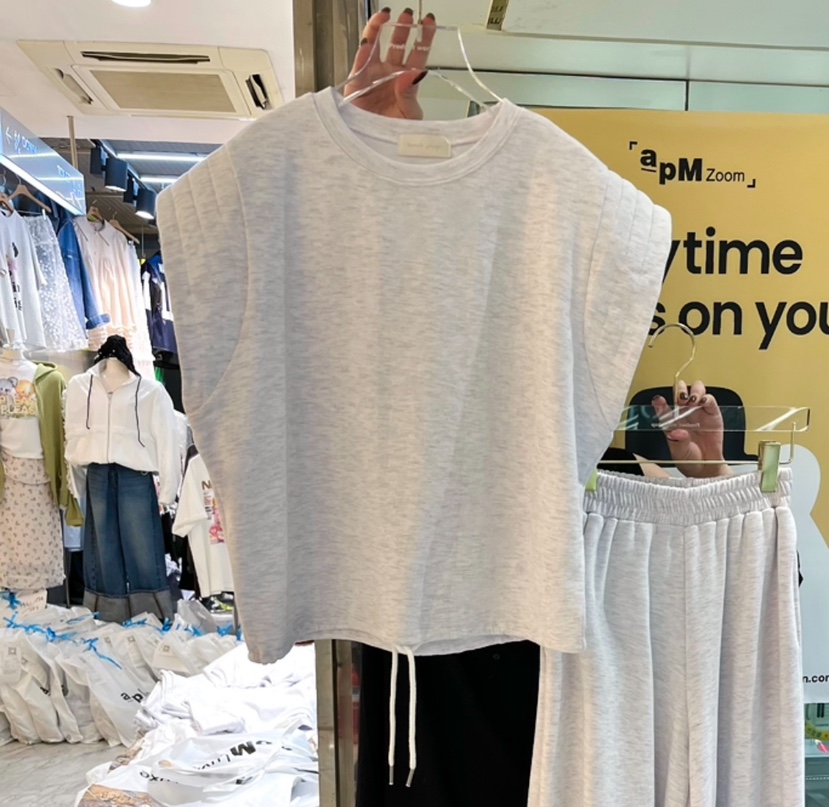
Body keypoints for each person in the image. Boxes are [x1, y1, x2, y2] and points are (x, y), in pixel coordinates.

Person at [345, 14, 734, 807]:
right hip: (428, 649)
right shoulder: (412, 374)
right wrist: (382, 169)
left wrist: (702, 478)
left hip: (557, 673)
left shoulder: (630, 428)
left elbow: (708, 600)